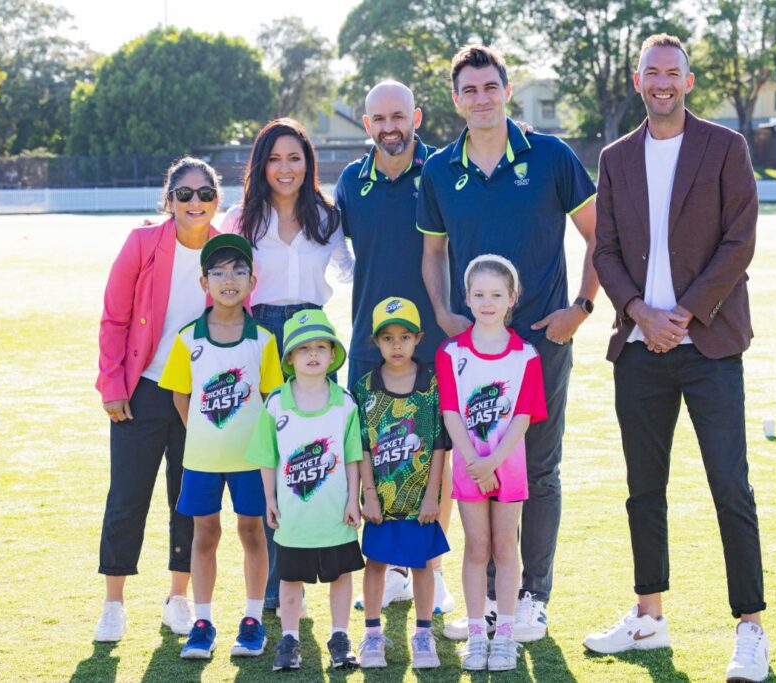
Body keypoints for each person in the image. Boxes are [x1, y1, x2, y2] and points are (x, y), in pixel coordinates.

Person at [585, 34, 769, 682]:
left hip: (709, 344)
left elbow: (739, 241)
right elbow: (605, 249)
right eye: (651, 72)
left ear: (688, 82)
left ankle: (751, 627)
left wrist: (683, 313)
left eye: (672, 73)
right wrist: (640, 312)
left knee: (730, 486)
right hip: (640, 349)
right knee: (644, 490)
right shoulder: (615, 157)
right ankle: (648, 615)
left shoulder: (725, 146)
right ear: (638, 81)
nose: (662, 81)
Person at [418, 45, 598, 642]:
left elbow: (599, 235)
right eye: (469, 90)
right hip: (475, 352)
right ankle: (490, 604)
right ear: (455, 100)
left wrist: (581, 308)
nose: (481, 98)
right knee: (479, 466)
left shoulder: (551, 156)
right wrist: (443, 312)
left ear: (507, 90)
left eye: (490, 87)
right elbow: (433, 251)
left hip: (542, 343)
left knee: (538, 469)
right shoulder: (439, 170)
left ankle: (531, 598)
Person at [222, 117, 354, 614]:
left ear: (308, 164)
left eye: (294, 158)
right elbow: (219, 275)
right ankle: (278, 583)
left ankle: (325, 566)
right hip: (260, 337)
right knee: (272, 459)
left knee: (316, 455)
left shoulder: (326, 216)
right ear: (261, 164)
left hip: (313, 336)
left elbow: (350, 269)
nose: (285, 168)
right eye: (275, 158)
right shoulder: (242, 218)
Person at [335, 80, 456, 616]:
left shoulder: (442, 171)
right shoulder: (349, 182)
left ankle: (432, 568)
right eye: (379, 119)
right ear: (367, 125)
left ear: (417, 117)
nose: (390, 127)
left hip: (434, 341)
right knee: (375, 457)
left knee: (435, 456)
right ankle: (389, 569)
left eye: (399, 116)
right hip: (370, 343)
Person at [93, 157, 223, 642]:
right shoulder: (142, 243)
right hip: (141, 389)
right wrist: (112, 385)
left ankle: (178, 598)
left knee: (186, 500)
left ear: (216, 200)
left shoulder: (226, 249)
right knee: (127, 497)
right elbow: (114, 317)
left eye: (205, 193)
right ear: (168, 200)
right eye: (184, 194)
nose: (195, 202)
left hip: (199, 396)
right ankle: (113, 604)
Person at [157, 234, 283, 659]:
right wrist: (202, 434)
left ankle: (252, 619)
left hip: (250, 461)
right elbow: (180, 396)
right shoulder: (187, 339)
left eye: (238, 271)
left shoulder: (263, 339)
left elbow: (270, 398)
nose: (229, 280)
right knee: (205, 533)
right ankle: (203, 621)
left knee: (252, 532)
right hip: (202, 459)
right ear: (204, 282)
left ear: (252, 281)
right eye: (219, 272)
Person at [435, 255, 547, 671]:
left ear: (512, 298)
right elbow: (450, 411)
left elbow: (523, 415)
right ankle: (476, 633)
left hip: (508, 465)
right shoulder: (451, 353)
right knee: (477, 547)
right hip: (469, 467)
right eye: (479, 294)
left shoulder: (525, 355)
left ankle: (505, 635)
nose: (487, 302)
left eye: (497, 295)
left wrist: (494, 461)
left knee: (504, 547)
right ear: (465, 298)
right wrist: (474, 462)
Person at [244, 310, 365, 671]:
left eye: (321, 347)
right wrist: (269, 499)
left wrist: (353, 499)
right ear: (290, 359)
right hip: (294, 515)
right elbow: (267, 457)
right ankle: (290, 638)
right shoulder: (276, 402)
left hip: (335, 513)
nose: (313, 354)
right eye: (303, 348)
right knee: (290, 577)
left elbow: (353, 456)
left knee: (341, 574)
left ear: (332, 355)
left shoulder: (344, 402)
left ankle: (340, 636)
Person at [352, 296, 450, 670]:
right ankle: (372, 634)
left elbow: (439, 445)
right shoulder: (365, 388)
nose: (397, 345)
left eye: (405, 337)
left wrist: (432, 497)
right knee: (375, 562)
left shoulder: (432, 385)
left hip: (420, 499)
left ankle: (423, 634)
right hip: (382, 499)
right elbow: (362, 447)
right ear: (375, 341)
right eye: (388, 338)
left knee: (423, 563)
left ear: (418, 338)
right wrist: (370, 496)